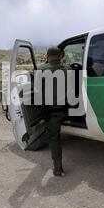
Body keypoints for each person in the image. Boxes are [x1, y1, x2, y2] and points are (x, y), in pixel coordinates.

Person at [38, 47, 68, 177]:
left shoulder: (42, 70)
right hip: (67, 109)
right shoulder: (68, 69)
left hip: (53, 112)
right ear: (59, 56)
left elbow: (37, 90)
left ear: (48, 56)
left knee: (53, 138)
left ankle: (58, 168)